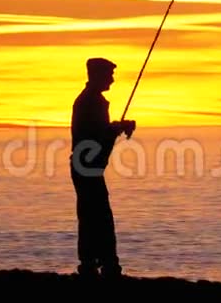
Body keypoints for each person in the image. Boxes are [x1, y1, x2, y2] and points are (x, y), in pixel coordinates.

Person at [69, 57, 136, 279]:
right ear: (97, 75)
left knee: (93, 215)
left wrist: (117, 127)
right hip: (86, 167)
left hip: (86, 167)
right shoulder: (91, 102)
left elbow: (99, 133)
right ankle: (104, 266)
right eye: (109, 75)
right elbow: (97, 135)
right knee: (98, 217)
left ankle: (95, 264)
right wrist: (118, 128)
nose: (112, 79)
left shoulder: (91, 101)